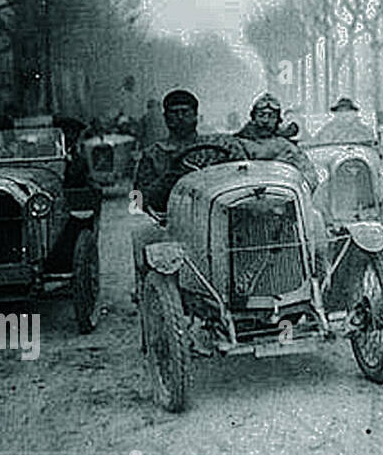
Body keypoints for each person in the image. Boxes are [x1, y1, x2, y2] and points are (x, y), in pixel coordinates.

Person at [130, 89, 246, 301]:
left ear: (196, 116)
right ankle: (150, 294)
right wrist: (169, 178)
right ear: (165, 118)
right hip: (173, 221)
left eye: (186, 112)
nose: (180, 117)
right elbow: (136, 200)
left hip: (218, 216)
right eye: (174, 113)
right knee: (147, 238)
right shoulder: (154, 153)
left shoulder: (217, 147)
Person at [232, 92, 319, 188]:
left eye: (271, 116)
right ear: (253, 118)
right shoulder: (238, 144)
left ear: (278, 120)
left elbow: (309, 178)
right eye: (261, 115)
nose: (265, 120)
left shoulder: (287, 148)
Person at [312, 96, 377, 144]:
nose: (344, 114)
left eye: (347, 111)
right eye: (340, 111)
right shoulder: (328, 129)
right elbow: (317, 144)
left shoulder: (364, 130)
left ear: (353, 113)